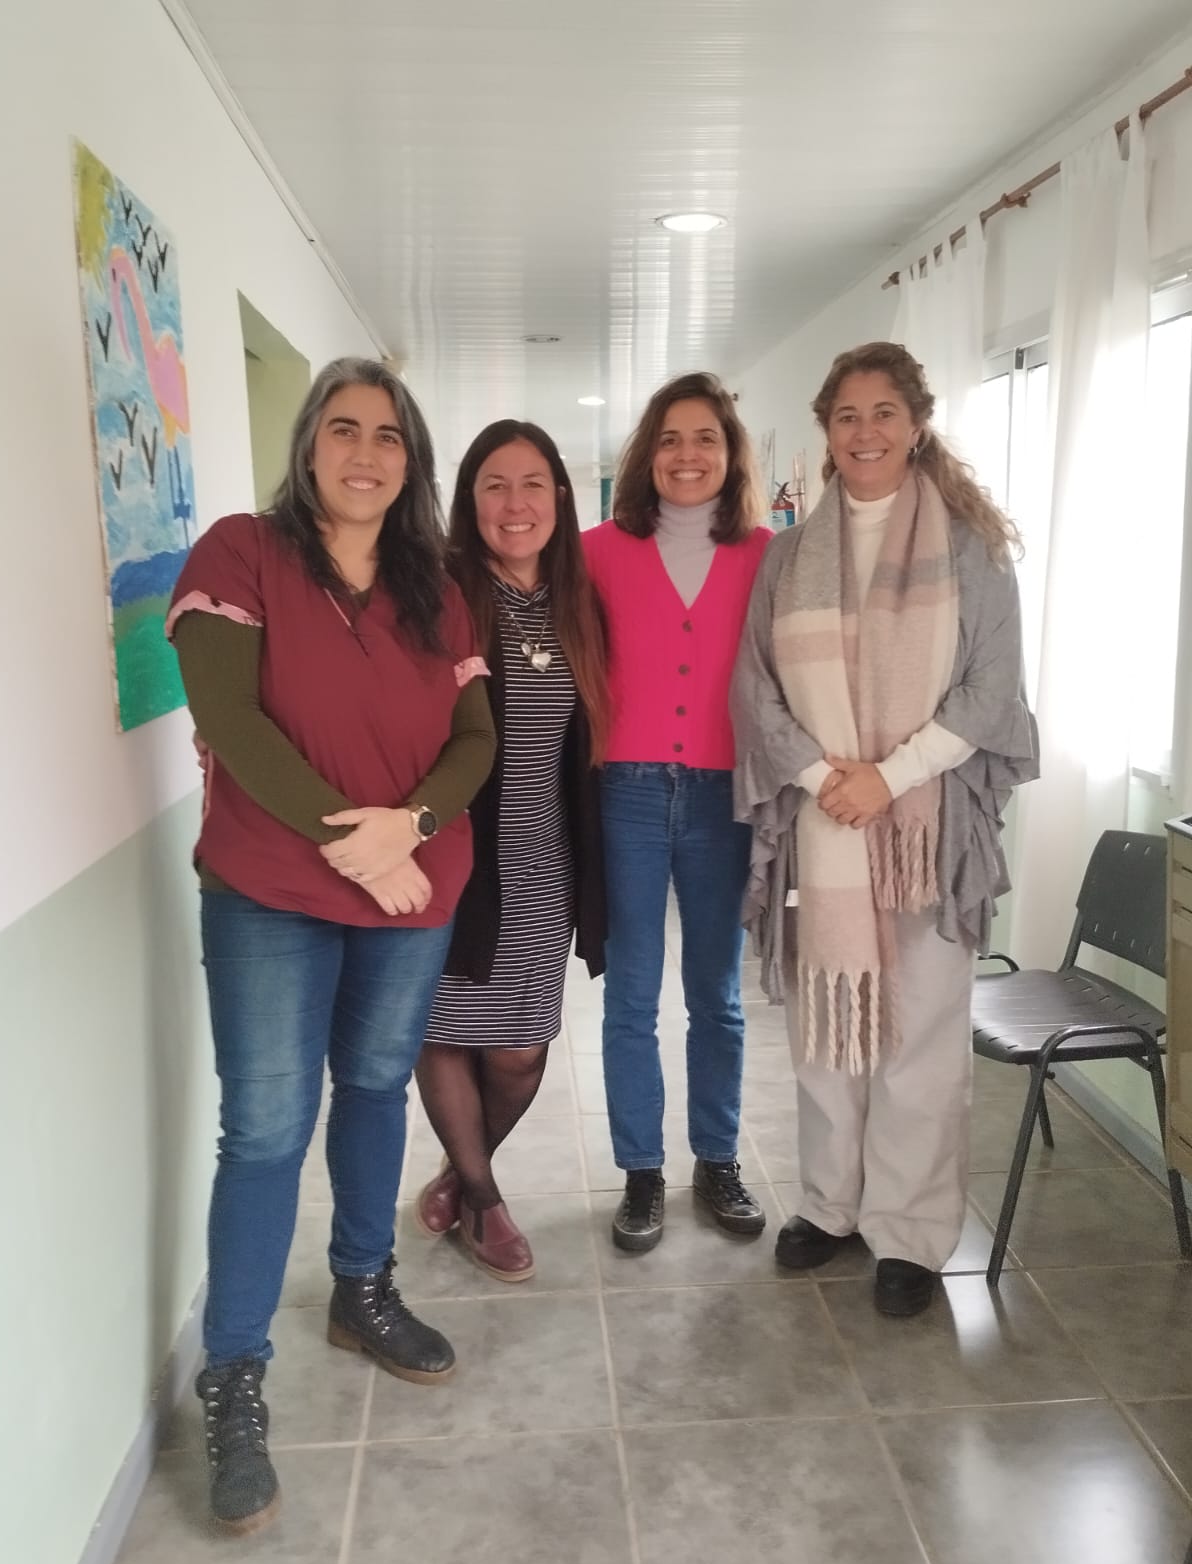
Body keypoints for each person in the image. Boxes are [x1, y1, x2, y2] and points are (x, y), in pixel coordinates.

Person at [167, 357, 496, 1532]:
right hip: (269, 889)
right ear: (309, 444)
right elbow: (228, 717)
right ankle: (233, 1373)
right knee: (264, 1128)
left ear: (412, 461)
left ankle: (362, 1287)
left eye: (390, 435)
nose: (366, 452)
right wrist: (353, 841)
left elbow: (475, 738)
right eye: (344, 428)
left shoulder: (436, 589)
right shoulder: (241, 553)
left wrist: (411, 826)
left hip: (413, 884)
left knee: (372, 1086)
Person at [731, 340, 1038, 1317]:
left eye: (883, 414)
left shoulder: (969, 546)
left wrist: (889, 777)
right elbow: (754, 688)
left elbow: (992, 688)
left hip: (924, 828)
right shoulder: (788, 556)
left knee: (921, 1030)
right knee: (828, 1021)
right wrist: (826, 778)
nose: (865, 432)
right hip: (825, 820)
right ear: (827, 431)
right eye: (847, 416)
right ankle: (830, 1205)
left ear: (916, 424)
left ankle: (907, 1231)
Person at [413, 420, 609, 1281]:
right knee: (444, 1030)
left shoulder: (578, 603)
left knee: (520, 1051)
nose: (515, 502)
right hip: (454, 859)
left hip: (546, 862)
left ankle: (460, 1173)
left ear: (559, 497)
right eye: (495, 484)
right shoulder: (439, 594)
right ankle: (485, 1202)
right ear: (471, 501)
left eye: (533, 483)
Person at [582, 372, 772, 1252]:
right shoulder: (596, 551)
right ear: (645, 454)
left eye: (705, 438)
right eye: (669, 438)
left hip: (722, 794)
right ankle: (641, 1171)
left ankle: (718, 1158)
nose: (687, 455)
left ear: (731, 453)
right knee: (631, 995)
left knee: (717, 995)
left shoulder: (767, 555)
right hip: (624, 789)